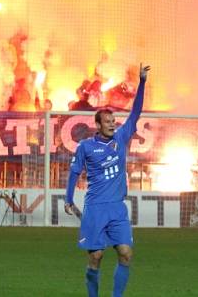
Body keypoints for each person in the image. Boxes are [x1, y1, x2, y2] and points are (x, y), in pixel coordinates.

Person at [64, 63, 150, 297]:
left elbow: (136, 113)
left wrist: (142, 82)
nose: (113, 123)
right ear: (98, 125)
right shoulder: (86, 147)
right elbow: (74, 172)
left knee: (126, 253)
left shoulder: (120, 138)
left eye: (114, 121)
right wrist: (68, 198)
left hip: (117, 208)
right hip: (95, 208)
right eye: (109, 121)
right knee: (96, 257)